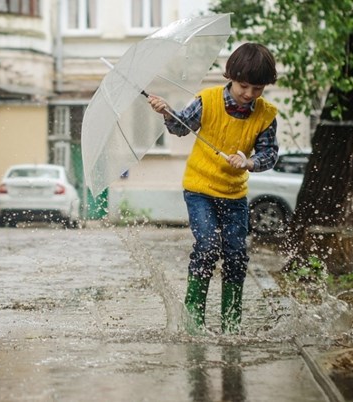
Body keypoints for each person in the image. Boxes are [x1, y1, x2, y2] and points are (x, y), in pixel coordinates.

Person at [148, 42, 279, 334]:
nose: (249, 94)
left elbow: (270, 154)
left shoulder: (266, 115)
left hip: (235, 194)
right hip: (200, 189)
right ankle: (194, 323)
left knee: (235, 254)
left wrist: (250, 162)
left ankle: (231, 326)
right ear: (230, 76)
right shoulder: (207, 100)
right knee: (207, 247)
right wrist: (167, 112)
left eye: (257, 89)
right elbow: (180, 127)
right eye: (244, 86)